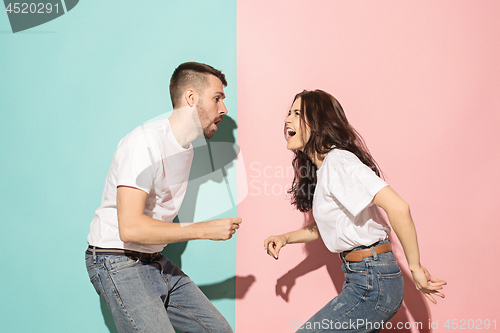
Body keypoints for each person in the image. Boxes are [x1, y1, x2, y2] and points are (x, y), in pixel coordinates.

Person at [264, 90, 446, 332]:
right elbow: (332, 226)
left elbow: (399, 207)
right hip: (363, 276)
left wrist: (416, 268)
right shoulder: (326, 168)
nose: (287, 119)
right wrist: (285, 238)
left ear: (319, 122)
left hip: (372, 281)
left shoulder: (339, 161)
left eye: (297, 113)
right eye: (289, 112)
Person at [85, 62, 241, 333]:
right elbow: (130, 227)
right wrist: (205, 230)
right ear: (191, 98)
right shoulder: (144, 143)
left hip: (153, 260)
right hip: (116, 258)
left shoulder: (188, 150)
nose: (223, 110)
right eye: (217, 98)